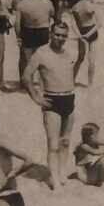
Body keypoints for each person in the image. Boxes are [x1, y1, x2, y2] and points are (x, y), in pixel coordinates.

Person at [23, 22, 79, 188]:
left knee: (66, 141)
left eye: (63, 35)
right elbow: (26, 77)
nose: (60, 38)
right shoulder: (41, 53)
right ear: (50, 34)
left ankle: (62, 173)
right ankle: (53, 179)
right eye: (57, 34)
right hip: (52, 100)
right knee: (53, 144)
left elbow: (77, 63)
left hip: (69, 98)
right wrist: (36, 98)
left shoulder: (69, 53)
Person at [15, 0, 54, 87]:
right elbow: (52, 14)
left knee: (29, 61)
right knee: (43, 59)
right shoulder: (47, 2)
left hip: (28, 31)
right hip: (43, 30)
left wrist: (19, 36)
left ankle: (29, 84)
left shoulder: (22, 4)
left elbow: (17, 23)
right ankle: (42, 84)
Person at [69, 0, 99, 86]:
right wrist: (88, 34)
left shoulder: (75, 7)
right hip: (92, 31)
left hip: (81, 32)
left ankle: (71, 80)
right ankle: (90, 83)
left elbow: (73, 25)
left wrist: (80, 36)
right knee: (92, 59)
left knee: (80, 58)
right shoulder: (90, 5)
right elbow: (99, 23)